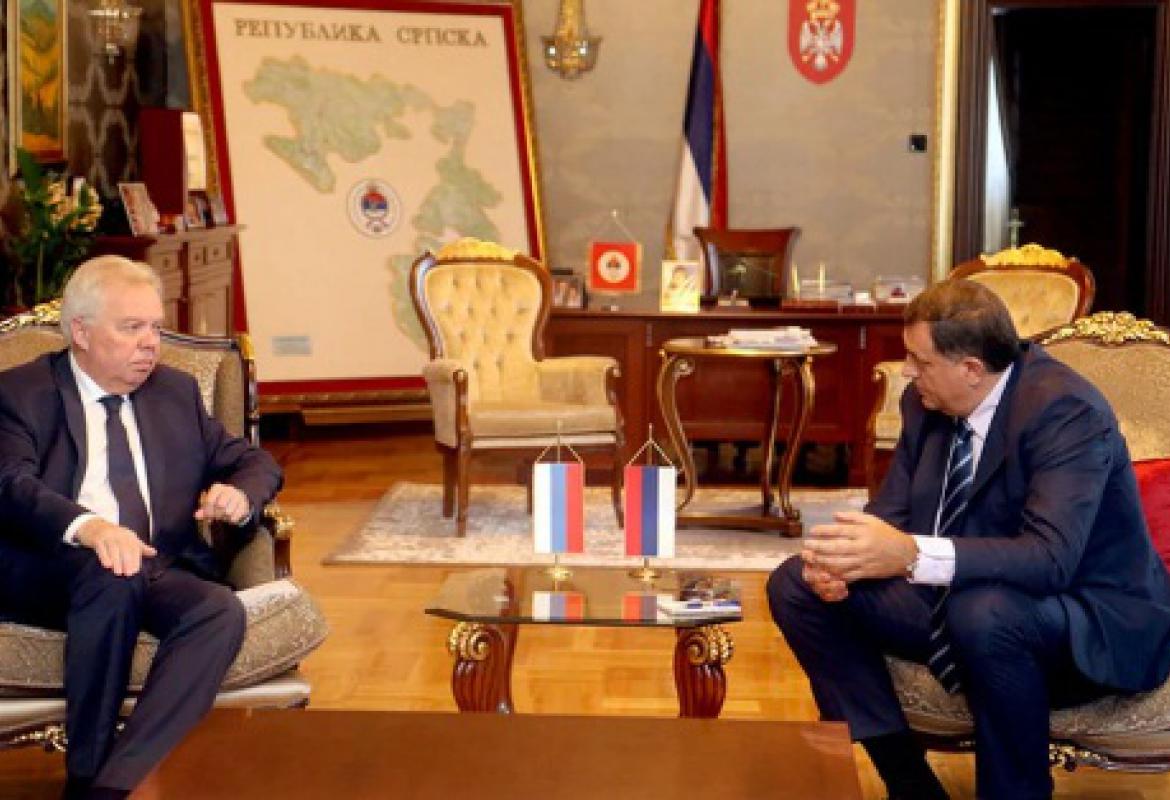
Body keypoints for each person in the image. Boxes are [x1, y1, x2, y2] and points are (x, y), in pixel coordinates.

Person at [767, 279, 1170, 799]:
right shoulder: (925, 404)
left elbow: (1051, 559)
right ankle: (910, 784)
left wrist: (910, 554)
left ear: (972, 369)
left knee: (983, 612)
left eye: (919, 360)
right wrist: (844, 562)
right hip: (966, 603)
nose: (906, 372)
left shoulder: (1065, 411)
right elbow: (890, 516)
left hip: (1087, 622)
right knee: (795, 585)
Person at [0, 256, 282, 799]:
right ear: (81, 332)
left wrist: (239, 494)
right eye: (132, 328)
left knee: (216, 610)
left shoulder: (174, 392)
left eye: (154, 327)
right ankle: (86, 771)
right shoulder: (20, 393)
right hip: (47, 565)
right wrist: (89, 527)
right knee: (112, 573)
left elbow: (253, 461)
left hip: (153, 561)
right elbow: (11, 484)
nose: (151, 343)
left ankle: (112, 784)